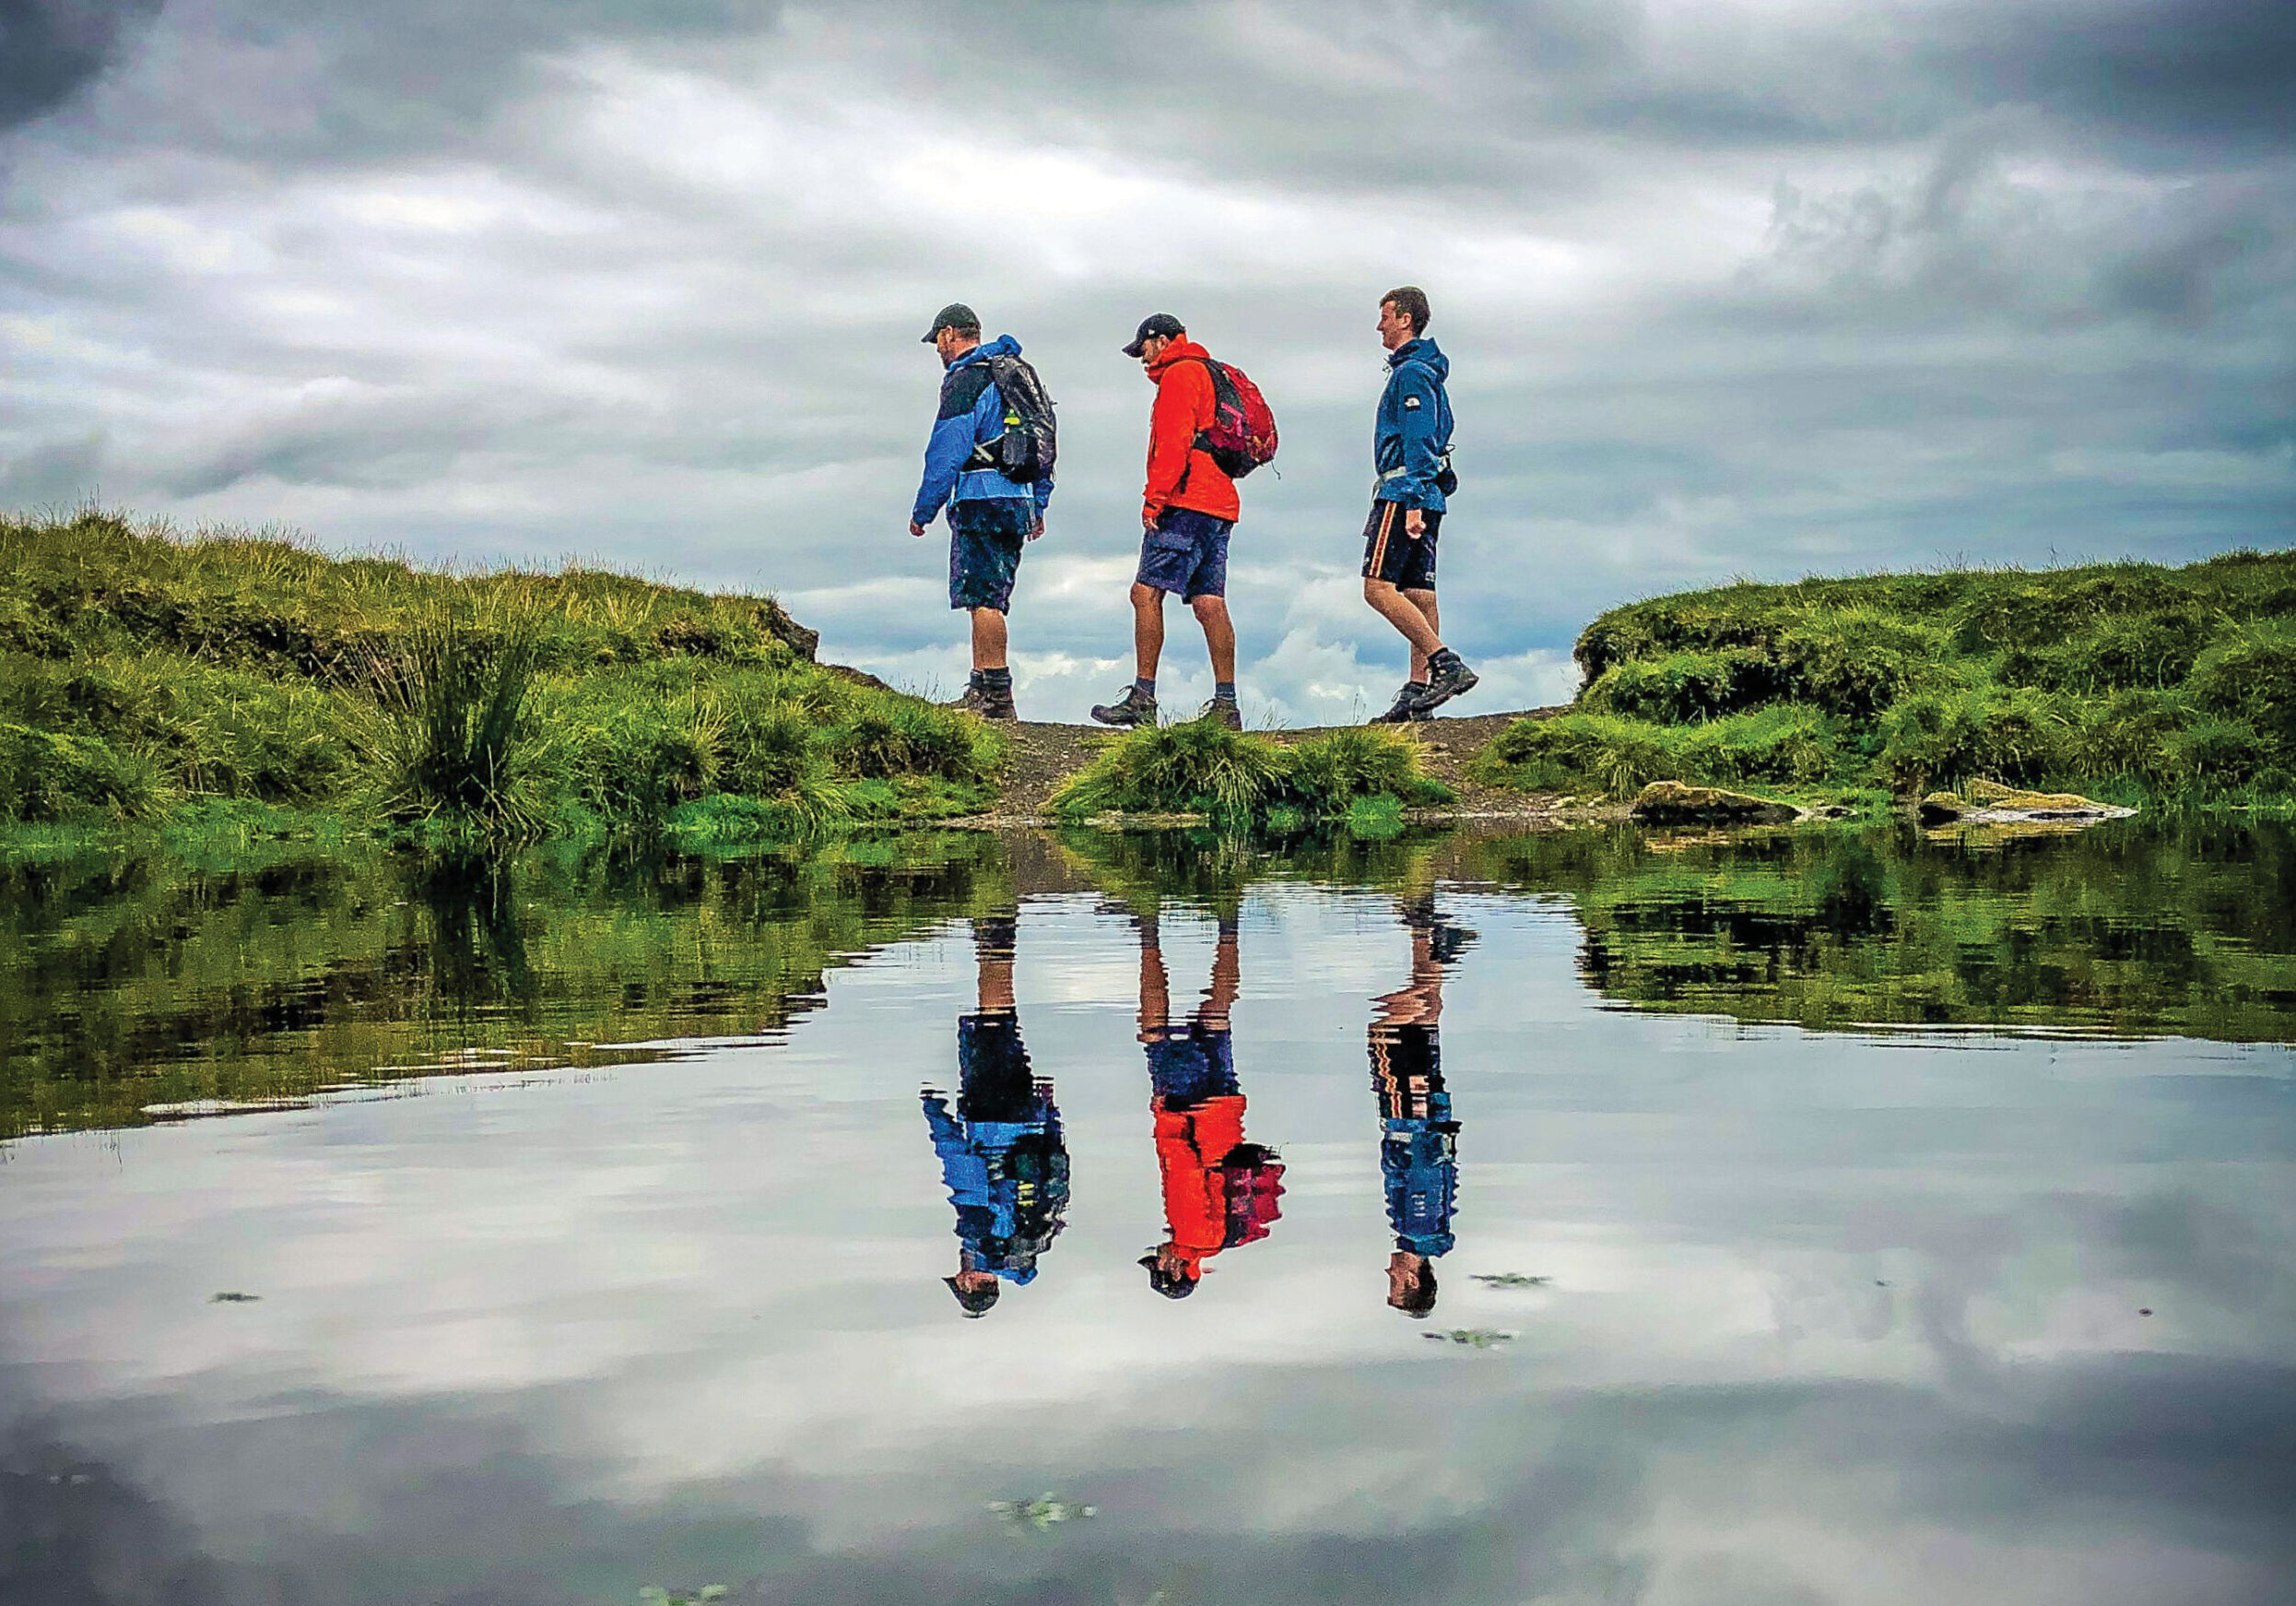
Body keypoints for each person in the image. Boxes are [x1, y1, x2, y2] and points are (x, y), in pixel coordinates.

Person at [1090, 314, 1243, 733]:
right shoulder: (1210, 373)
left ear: (1161, 342)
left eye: (1143, 348)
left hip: (1186, 499)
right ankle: (1226, 706)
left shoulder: (1180, 376)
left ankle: (1143, 698)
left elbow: (1174, 444)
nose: (1142, 358)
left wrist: (1154, 500)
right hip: (1220, 503)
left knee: (1145, 593)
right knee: (1208, 600)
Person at [920, 911, 1069, 1316]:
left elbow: (1054, 1174)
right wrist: (935, 1115)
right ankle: (994, 929)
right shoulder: (980, 1238)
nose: (958, 1270)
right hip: (990, 1115)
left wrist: (1050, 1115)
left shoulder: (1033, 1243)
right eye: (960, 1279)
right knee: (993, 1022)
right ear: (970, 1282)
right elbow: (963, 1168)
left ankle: (997, 936)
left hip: (1029, 1117)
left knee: (1003, 1025)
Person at [910, 304, 1054, 720]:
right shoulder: (1018, 374)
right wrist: (1038, 501)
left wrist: (925, 508)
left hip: (980, 498)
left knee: (982, 597)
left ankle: (993, 694)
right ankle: (983, 688)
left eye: (937, 339)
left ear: (949, 333)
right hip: (1018, 500)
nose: (937, 349)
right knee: (993, 595)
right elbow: (1044, 442)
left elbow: (947, 450)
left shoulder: (967, 378)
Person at [1133, 906, 1283, 1297]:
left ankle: (1228, 922)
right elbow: (1181, 1167)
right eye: (1160, 1263)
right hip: (1190, 1112)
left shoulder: (1224, 1239)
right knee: (1154, 1032)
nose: (1159, 1254)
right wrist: (1164, 1115)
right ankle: (1147, 928)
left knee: (1216, 1017)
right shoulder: (1191, 1234)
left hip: (1226, 1117)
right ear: (1176, 1269)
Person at [1362, 286, 1478, 724]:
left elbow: (1417, 436)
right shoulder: (1429, 373)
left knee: (1377, 588)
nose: (1380, 326)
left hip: (1403, 492)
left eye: (1386, 317)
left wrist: (1410, 500)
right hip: (1427, 493)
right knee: (1418, 591)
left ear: (1406, 319)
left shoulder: (1411, 373)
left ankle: (1444, 664)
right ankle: (1417, 691)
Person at [1368, 897, 1475, 1317]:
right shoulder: (1418, 1226)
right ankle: (1439, 945)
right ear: (1412, 1278)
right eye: (1394, 1282)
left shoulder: (1431, 1232)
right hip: (1410, 1112)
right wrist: (1415, 1106)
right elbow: (1425, 1169)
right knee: (1383, 1029)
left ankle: (1423, 928)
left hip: (1424, 1112)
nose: (1388, 1272)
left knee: (1425, 1020)